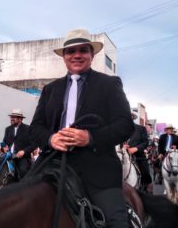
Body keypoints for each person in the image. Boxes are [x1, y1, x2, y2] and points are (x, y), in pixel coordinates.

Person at [29, 28, 134, 227]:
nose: (77, 55)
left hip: (97, 169)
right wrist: (51, 139)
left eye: (83, 50)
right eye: (71, 51)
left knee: (116, 222)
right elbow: (35, 128)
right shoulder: (50, 89)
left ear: (91, 55)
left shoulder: (110, 84)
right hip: (51, 164)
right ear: (64, 57)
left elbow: (125, 125)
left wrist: (90, 137)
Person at [124, 113, 153, 193]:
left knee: (145, 170)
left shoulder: (141, 128)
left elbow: (145, 142)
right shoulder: (120, 130)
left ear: (132, 118)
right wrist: (123, 146)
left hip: (138, 155)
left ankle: (148, 187)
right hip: (123, 155)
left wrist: (136, 148)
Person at [3, 109, 35, 179]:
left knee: (23, 171)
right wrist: (4, 147)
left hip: (22, 158)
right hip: (8, 156)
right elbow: (4, 142)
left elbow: (33, 145)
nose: (11, 119)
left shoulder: (28, 129)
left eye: (14, 117)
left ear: (20, 119)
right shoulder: (8, 129)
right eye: (11, 117)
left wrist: (24, 151)